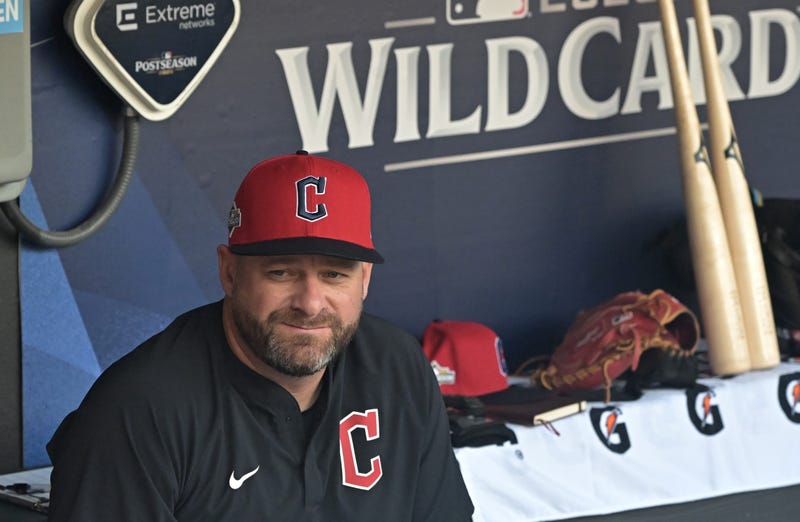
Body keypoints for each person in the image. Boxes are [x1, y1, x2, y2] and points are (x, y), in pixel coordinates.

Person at [46, 150, 474, 521]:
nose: (310, 302)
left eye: (333, 275)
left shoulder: (396, 366)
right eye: (282, 272)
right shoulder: (138, 412)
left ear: (364, 280)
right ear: (229, 272)